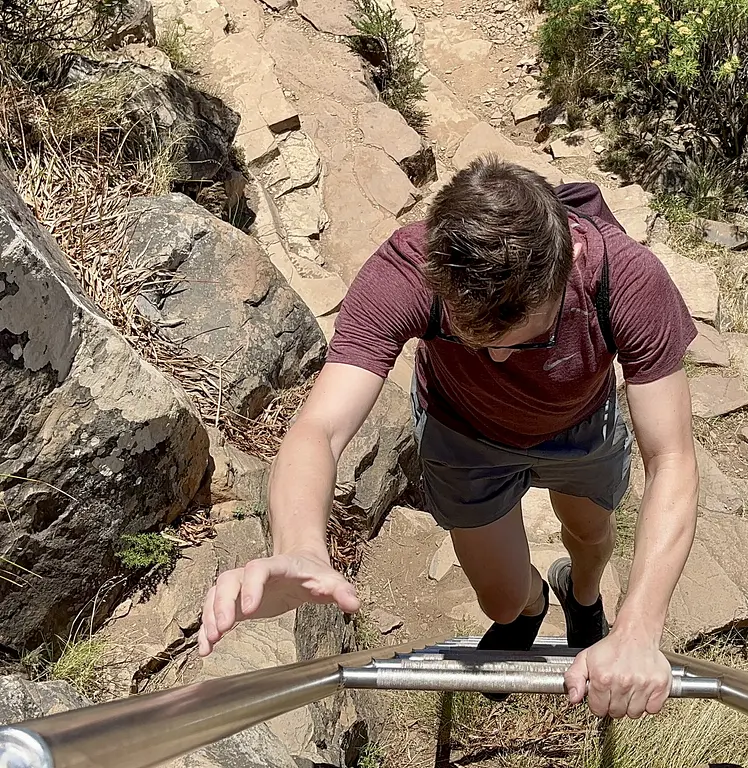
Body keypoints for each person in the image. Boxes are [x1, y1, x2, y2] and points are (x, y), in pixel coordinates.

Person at [197, 155, 700, 720]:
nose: (502, 358)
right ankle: (531, 607)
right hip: (465, 434)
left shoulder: (626, 279)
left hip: (578, 427)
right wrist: (299, 546)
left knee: (589, 535)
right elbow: (320, 427)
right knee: (502, 600)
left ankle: (587, 599)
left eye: (523, 336)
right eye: (476, 338)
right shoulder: (407, 270)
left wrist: (639, 627)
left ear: (572, 260)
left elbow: (673, 457)